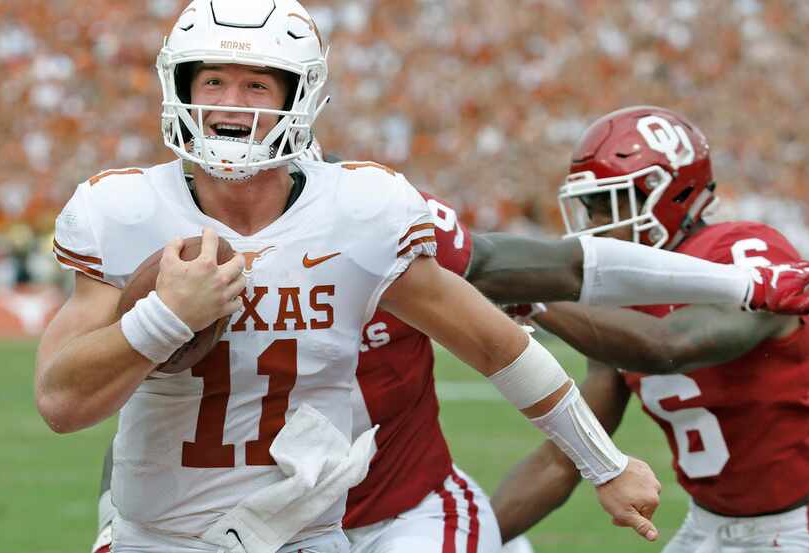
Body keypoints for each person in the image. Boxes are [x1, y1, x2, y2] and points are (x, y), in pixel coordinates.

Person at [36, 2, 665, 552]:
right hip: (159, 539)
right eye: (212, 80)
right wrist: (164, 319)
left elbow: (496, 345)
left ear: (297, 96)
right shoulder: (120, 212)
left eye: (256, 84)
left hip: (308, 538)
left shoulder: (359, 212)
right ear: (178, 86)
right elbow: (61, 404)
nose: (227, 103)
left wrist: (603, 464)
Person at [491, 105, 809, 552]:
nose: (597, 225)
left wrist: (538, 300)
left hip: (799, 524)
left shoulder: (744, 253)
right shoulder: (618, 295)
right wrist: (467, 540)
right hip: (709, 527)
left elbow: (669, 344)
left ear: (670, 194)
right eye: (590, 207)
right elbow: (563, 462)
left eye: (608, 204)